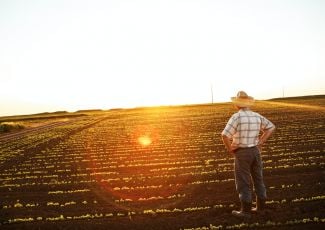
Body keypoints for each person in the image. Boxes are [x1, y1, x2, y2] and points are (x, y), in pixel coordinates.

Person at [221, 91, 275, 218]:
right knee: (258, 179)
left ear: (237, 104)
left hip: (242, 153)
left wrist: (231, 150)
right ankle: (261, 208)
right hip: (255, 152)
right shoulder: (256, 116)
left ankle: (245, 211)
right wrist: (260, 142)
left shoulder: (236, 117)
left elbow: (224, 135)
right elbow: (271, 127)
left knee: (243, 181)